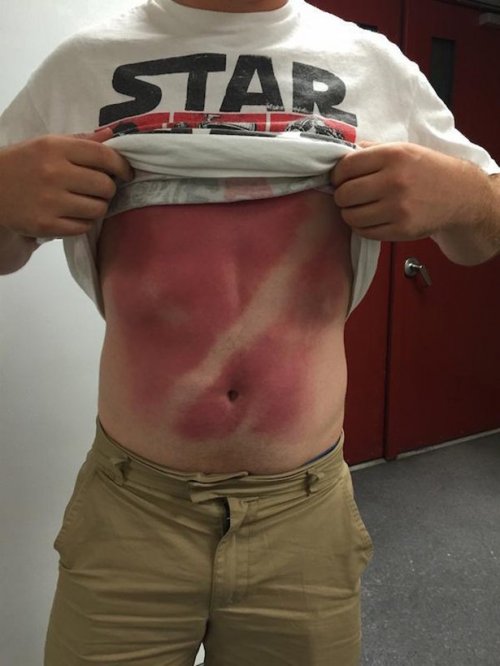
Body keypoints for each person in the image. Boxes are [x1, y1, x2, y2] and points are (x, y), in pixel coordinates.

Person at [0, 0, 499, 664]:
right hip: (132, 513)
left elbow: (483, 234)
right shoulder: (82, 63)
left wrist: (466, 195)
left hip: (302, 516)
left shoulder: (373, 63)